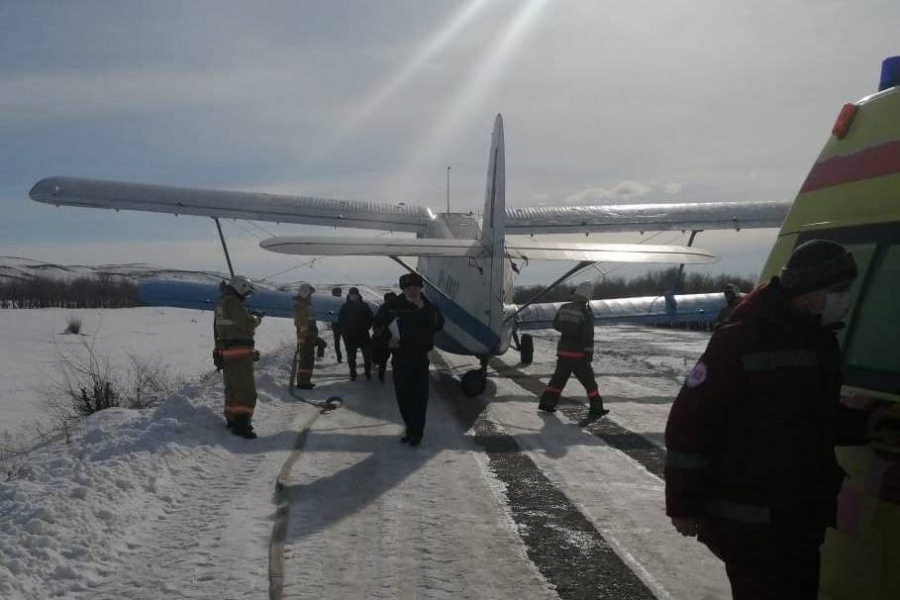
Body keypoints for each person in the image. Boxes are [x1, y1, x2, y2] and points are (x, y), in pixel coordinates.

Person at [665, 240, 880, 600]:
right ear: (807, 289)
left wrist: (868, 422)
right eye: (836, 290)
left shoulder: (819, 338)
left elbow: (810, 418)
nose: (844, 299)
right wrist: (684, 503)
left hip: (800, 513)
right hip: (750, 518)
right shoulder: (741, 339)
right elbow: (690, 424)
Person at [373, 273, 444, 447]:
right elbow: (377, 327)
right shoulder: (391, 306)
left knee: (419, 398)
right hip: (400, 358)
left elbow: (439, 325)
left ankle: (416, 433)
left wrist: (424, 310)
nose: (413, 290)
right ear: (403, 289)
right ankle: (410, 428)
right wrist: (387, 341)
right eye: (408, 287)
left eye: (416, 287)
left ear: (420, 288)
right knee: (403, 398)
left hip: (420, 358)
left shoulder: (428, 306)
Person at [538, 281, 608, 418]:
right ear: (588, 296)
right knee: (590, 383)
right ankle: (596, 408)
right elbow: (588, 337)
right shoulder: (585, 313)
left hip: (563, 351)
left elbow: (556, 325)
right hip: (578, 354)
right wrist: (588, 355)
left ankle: (547, 403)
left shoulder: (564, 307)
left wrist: (567, 329)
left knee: (558, 380)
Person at [214, 275, 263, 439]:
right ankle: (242, 425)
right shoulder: (233, 302)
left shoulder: (222, 302)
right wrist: (256, 318)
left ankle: (232, 419)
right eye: (246, 292)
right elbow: (246, 323)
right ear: (240, 288)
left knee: (233, 388)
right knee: (246, 390)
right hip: (239, 352)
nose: (246, 296)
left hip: (227, 351)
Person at [337, 286, 374, 380]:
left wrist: (366, 327)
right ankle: (353, 374)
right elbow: (340, 321)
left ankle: (368, 373)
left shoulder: (364, 306)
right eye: (352, 295)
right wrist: (345, 331)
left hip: (363, 335)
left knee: (367, 356)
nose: (353, 296)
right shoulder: (345, 307)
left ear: (358, 295)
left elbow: (370, 318)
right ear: (349, 295)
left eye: (355, 294)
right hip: (350, 336)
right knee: (351, 357)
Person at [292, 282, 317, 390]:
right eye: (310, 294)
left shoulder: (305, 304)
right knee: (306, 358)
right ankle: (302, 382)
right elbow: (301, 321)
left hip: (308, 335)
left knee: (309, 358)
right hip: (305, 335)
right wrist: (306, 333)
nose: (311, 296)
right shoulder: (300, 305)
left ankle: (306, 380)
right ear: (305, 293)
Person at [371, 292, 397, 382]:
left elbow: (376, 323)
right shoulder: (399, 308)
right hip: (395, 338)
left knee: (384, 358)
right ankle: (396, 374)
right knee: (396, 357)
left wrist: (377, 332)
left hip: (385, 338)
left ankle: (381, 375)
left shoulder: (382, 309)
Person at [330, 286, 344, 363]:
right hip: (337, 324)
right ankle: (339, 357)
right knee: (338, 341)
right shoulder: (342, 301)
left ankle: (339, 357)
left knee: (338, 341)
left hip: (339, 324)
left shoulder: (341, 301)